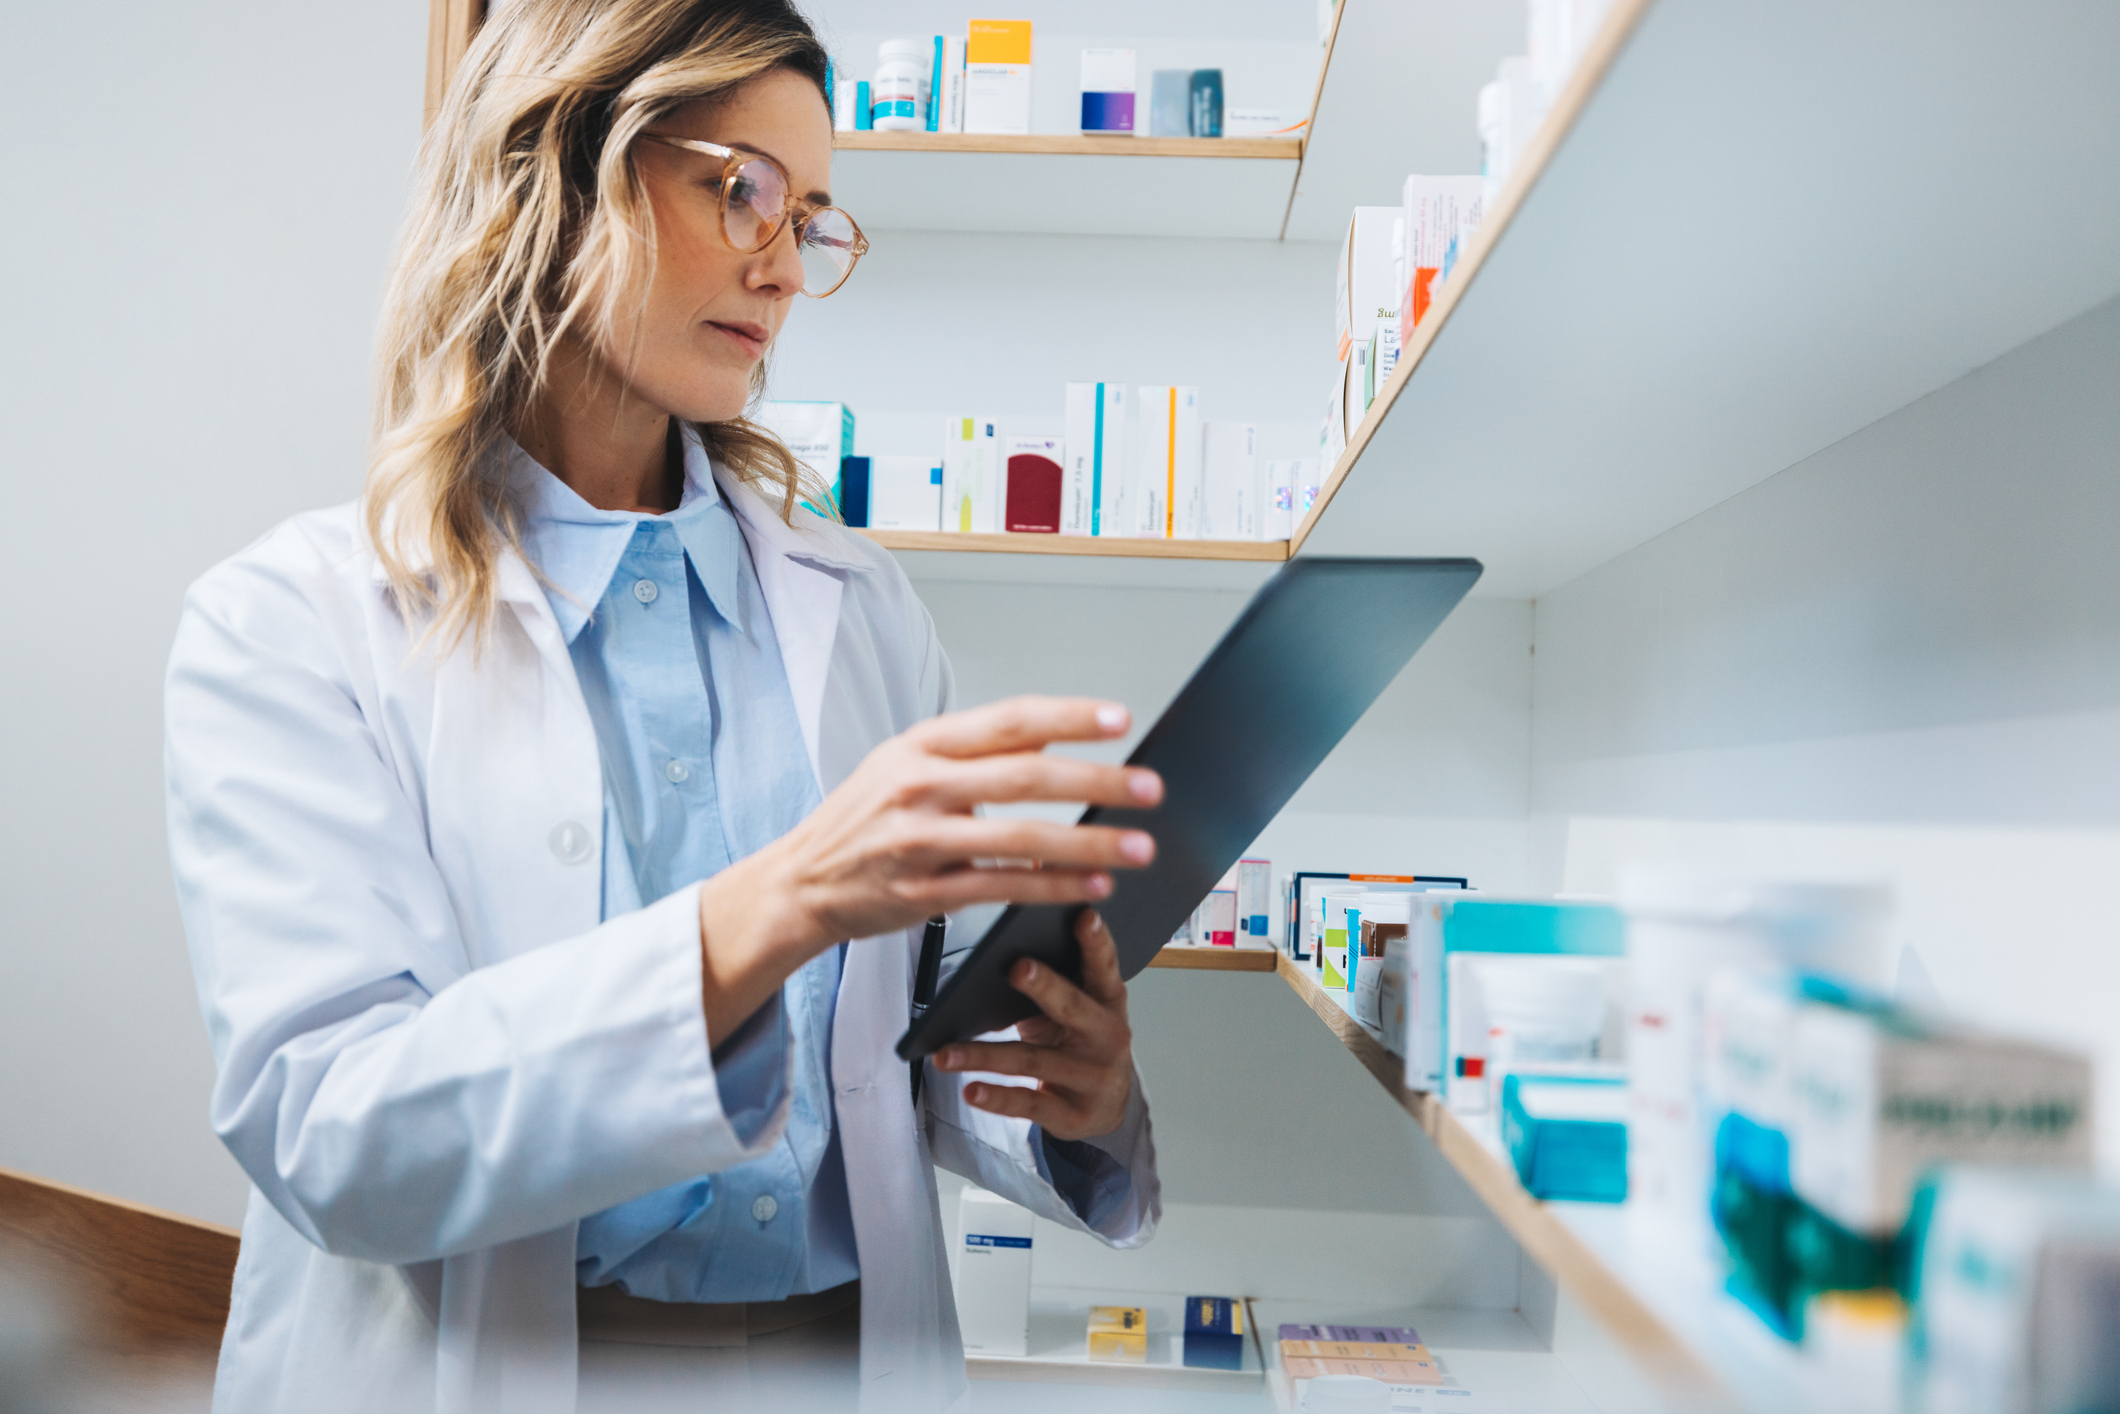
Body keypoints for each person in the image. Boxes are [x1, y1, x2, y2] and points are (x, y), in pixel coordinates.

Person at [162, 3, 1163, 1410]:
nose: (784, 267)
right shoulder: (292, 623)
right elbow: (335, 1133)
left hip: (840, 1356)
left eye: (809, 216)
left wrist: (1069, 1088)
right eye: (738, 188)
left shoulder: (860, 606)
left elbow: (888, 1073)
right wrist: (780, 903)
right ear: (555, 167)